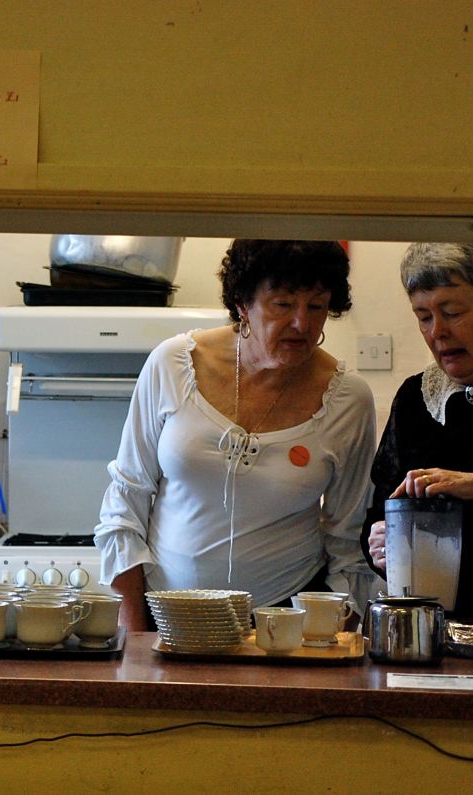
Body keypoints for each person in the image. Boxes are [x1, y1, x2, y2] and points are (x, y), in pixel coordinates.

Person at [94, 239, 376, 630]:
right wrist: (136, 635)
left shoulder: (348, 399)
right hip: (165, 614)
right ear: (243, 303)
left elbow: (349, 540)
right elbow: (126, 504)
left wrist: (332, 639)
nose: (302, 324)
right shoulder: (172, 364)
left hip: (285, 623)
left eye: (316, 306)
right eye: (282, 304)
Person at [361, 242, 473, 622]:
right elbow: (380, 511)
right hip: (430, 626)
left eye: (453, 312)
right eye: (424, 316)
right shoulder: (417, 398)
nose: (438, 332)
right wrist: (380, 544)